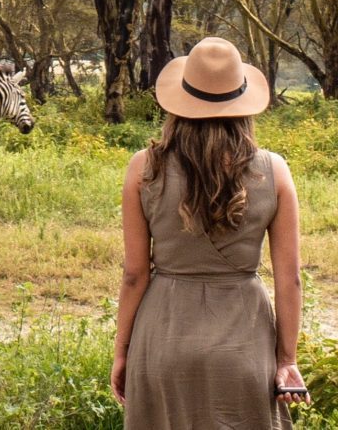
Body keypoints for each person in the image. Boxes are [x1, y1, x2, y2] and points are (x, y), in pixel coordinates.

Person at [110, 37, 311, 428]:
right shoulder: (275, 171)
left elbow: (135, 274)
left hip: (162, 340)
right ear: (244, 104)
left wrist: (123, 351)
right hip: (245, 341)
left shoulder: (142, 168)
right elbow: (291, 279)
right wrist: (287, 360)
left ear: (179, 101)